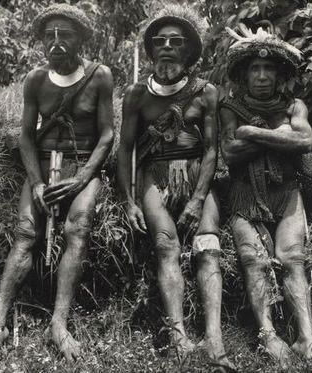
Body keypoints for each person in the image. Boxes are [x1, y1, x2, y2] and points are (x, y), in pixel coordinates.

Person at [0, 4, 114, 362]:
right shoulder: (35, 80)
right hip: (43, 167)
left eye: (65, 35)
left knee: (78, 227)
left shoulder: (100, 76)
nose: (56, 43)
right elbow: (26, 137)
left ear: (81, 39)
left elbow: (107, 135)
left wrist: (81, 179)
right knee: (26, 233)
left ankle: (59, 323)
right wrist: (38, 183)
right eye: (49, 36)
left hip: (80, 167)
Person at [117, 5, 234, 370]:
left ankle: (214, 339)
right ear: (151, 51)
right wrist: (128, 201)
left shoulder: (206, 92)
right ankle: (178, 335)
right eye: (160, 42)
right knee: (166, 245)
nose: (167, 48)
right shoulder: (137, 95)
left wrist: (199, 199)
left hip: (198, 174)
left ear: (188, 53)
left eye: (176, 42)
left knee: (207, 248)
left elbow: (213, 149)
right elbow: (125, 150)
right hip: (156, 177)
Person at [219, 24, 312, 369]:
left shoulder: (294, 106)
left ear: (279, 74)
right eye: (255, 69)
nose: (262, 75)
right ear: (245, 76)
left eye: (268, 69)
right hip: (245, 193)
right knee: (252, 258)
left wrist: (253, 131)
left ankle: (307, 335)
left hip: (286, 191)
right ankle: (268, 333)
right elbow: (230, 152)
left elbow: (303, 142)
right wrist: (278, 134)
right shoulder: (230, 108)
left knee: (292, 256)